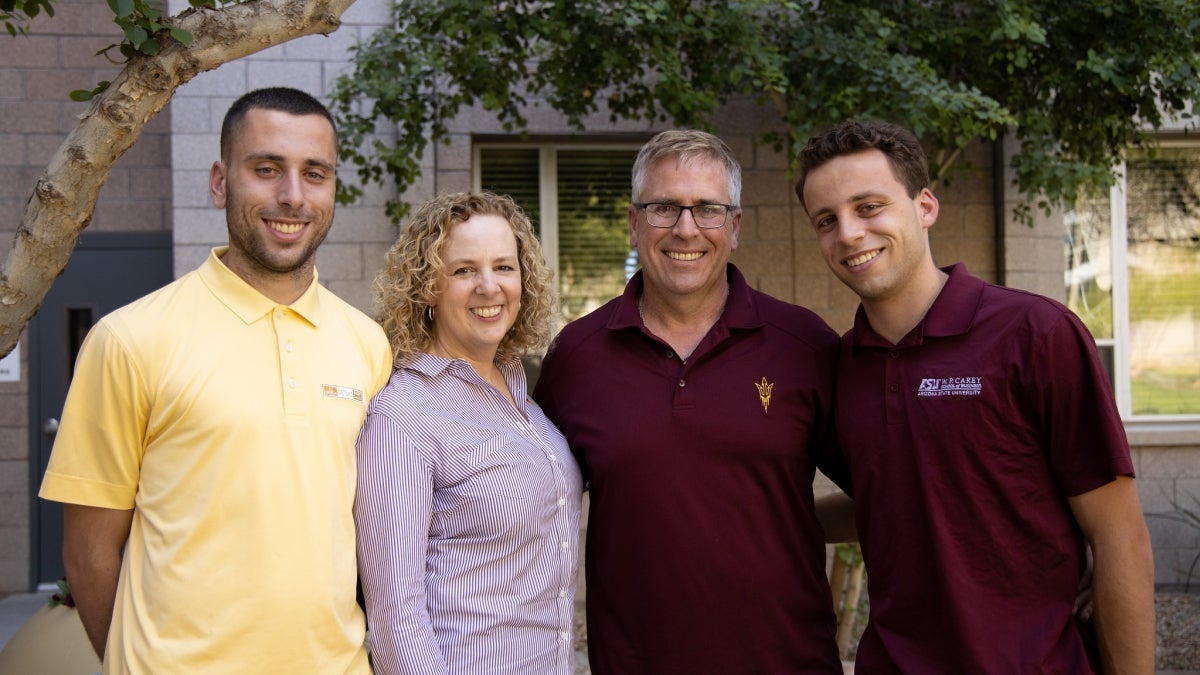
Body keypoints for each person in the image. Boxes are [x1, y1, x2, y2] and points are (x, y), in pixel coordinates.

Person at [38, 87, 393, 673]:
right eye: (266, 169)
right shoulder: (130, 339)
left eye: (315, 173)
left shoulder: (367, 344)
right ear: (219, 180)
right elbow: (89, 552)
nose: (292, 196)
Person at [794, 119, 1156, 673]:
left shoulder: (1035, 334)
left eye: (868, 207)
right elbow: (891, 496)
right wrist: (760, 519)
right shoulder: (841, 368)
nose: (847, 233)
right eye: (826, 220)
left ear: (925, 206)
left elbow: (1119, 537)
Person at [533, 130, 851, 673]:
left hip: (789, 662)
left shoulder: (805, 346)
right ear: (634, 224)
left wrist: (782, 523)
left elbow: (886, 493)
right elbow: (528, 512)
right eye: (663, 208)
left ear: (734, 227)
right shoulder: (577, 358)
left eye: (707, 208)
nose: (685, 228)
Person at [355, 191, 582, 674]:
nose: (489, 286)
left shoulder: (522, 394)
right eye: (463, 270)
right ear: (427, 288)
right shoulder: (403, 415)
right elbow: (397, 616)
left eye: (503, 266)